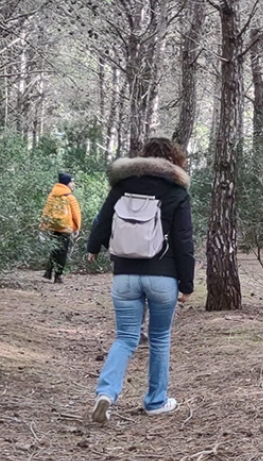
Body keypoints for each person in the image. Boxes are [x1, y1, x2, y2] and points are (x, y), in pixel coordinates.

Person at [86, 137, 195, 423]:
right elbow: (184, 241)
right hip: (163, 276)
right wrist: (187, 285)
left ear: (143, 158)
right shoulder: (176, 191)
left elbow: (104, 219)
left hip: (125, 274)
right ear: (174, 161)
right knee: (159, 339)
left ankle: (106, 393)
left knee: (125, 337)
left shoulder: (122, 185)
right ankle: (156, 401)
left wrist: (93, 247)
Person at [40, 172, 82, 283]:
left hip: (53, 226)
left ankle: (48, 272)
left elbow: (46, 211)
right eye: (71, 182)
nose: (73, 184)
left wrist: (43, 226)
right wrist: (77, 227)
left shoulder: (52, 195)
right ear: (67, 183)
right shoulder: (70, 197)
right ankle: (58, 276)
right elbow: (76, 214)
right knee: (62, 253)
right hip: (65, 228)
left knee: (54, 250)